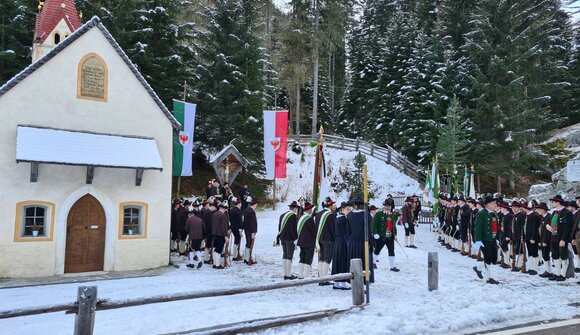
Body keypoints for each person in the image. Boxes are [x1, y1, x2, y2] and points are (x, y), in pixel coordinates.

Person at [472, 195, 500, 284]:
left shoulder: (494, 213)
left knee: (493, 259)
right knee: (488, 258)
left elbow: (496, 227)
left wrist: (497, 238)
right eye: (493, 203)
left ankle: (478, 268)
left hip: (493, 239)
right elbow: (478, 228)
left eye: (495, 203)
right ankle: (489, 278)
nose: (495, 205)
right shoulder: (481, 213)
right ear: (487, 204)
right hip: (485, 240)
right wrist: (478, 240)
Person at [347, 197, 374, 283]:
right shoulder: (366, 215)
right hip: (363, 242)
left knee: (353, 259)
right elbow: (370, 230)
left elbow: (348, 231)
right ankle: (364, 280)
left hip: (352, 241)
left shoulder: (350, 215)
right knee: (364, 261)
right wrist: (372, 243)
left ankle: (352, 278)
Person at [547, 195, 573, 281]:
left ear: (558, 202)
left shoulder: (567, 212)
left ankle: (563, 274)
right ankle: (557, 273)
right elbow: (550, 222)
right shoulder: (554, 212)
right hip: (553, 237)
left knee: (563, 256)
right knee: (555, 255)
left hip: (561, 238)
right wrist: (548, 226)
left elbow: (568, 228)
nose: (552, 203)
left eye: (553, 202)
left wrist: (563, 239)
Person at [372, 199, 400, 272]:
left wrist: (395, 235)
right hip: (381, 236)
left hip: (390, 236)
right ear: (384, 206)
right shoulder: (379, 214)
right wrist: (375, 233)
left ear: (391, 207)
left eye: (389, 206)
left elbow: (393, 226)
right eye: (386, 206)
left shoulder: (392, 215)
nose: (387, 207)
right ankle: (373, 262)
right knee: (377, 250)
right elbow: (373, 225)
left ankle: (392, 266)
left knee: (391, 250)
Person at [332, 202, 353, 290]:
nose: (349, 211)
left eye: (349, 209)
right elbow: (348, 232)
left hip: (337, 241)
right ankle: (343, 283)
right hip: (343, 241)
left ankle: (336, 282)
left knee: (337, 260)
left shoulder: (336, 217)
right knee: (343, 261)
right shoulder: (344, 219)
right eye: (347, 209)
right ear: (342, 209)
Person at [316, 198, 336, 285]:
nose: (334, 207)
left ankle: (320, 278)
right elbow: (333, 229)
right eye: (333, 205)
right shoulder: (330, 215)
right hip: (328, 239)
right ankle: (324, 279)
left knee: (321, 259)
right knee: (327, 259)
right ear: (330, 206)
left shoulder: (318, 214)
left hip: (319, 239)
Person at [278, 201, 300, 280]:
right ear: (295, 208)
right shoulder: (293, 216)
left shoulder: (282, 215)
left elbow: (279, 227)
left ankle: (285, 273)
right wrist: (295, 238)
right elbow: (293, 229)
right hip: (290, 239)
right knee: (289, 256)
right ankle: (288, 274)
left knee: (285, 255)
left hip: (283, 238)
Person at [297, 202, 316, 279]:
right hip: (309, 242)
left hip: (301, 241)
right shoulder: (309, 219)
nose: (311, 210)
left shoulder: (300, 217)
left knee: (302, 257)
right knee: (308, 258)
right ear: (308, 210)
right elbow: (314, 231)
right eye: (311, 209)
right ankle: (306, 276)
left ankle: (300, 275)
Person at [536, 202, 553, 278]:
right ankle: (547, 270)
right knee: (544, 255)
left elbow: (548, 231)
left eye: (539, 209)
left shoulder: (549, 217)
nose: (538, 210)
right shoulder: (541, 218)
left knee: (546, 255)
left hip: (547, 240)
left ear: (543, 210)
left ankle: (548, 271)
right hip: (542, 239)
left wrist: (545, 241)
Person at [211, 201, 230, 269]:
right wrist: (226, 236)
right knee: (219, 250)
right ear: (224, 208)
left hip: (215, 233)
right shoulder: (223, 216)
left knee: (216, 249)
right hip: (220, 234)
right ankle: (217, 264)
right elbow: (223, 227)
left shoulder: (215, 214)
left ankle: (215, 263)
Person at [524, 201, 540, 275]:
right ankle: (531, 267)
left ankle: (535, 268)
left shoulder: (534, 216)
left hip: (533, 237)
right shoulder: (527, 215)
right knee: (530, 253)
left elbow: (534, 228)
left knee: (534, 253)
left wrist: (533, 238)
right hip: (527, 237)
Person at [243, 197, 259, 265]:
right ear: (254, 204)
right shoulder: (252, 212)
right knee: (250, 244)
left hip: (246, 229)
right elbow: (252, 223)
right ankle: (248, 259)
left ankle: (246, 258)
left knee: (247, 243)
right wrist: (253, 232)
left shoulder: (246, 210)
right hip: (250, 230)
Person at [510, 201, 525, 271]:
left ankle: (519, 264)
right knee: (516, 249)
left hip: (520, 235)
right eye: (513, 208)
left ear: (519, 208)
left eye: (515, 208)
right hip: (514, 235)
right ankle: (517, 264)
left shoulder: (521, 215)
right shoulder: (513, 215)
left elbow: (522, 226)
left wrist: (522, 235)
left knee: (519, 250)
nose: (514, 209)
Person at [498, 201, 513, 269]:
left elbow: (509, 227)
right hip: (503, 233)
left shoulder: (509, 216)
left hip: (506, 235)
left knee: (506, 248)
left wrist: (508, 236)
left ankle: (508, 262)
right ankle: (505, 261)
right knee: (503, 248)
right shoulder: (504, 215)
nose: (500, 209)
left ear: (505, 208)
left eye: (502, 208)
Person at [229, 197, 244, 261]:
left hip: (232, 227)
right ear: (239, 204)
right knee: (237, 241)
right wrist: (240, 230)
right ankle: (236, 255)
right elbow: (240, 221)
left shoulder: (231, 210)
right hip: (238, 228)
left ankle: (236, 254)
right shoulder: (239, 211)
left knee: (236, 240)